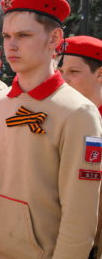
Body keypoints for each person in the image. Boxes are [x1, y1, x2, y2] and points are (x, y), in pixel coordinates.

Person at [0, 0, 102, 258]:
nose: (11, 46)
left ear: (54, 39)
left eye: (23, 35)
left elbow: (80, 217)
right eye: (7, 36)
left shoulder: (79, 113)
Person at [59, 36, 102, 259]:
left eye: (74, 72)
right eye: (62, 71)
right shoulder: (59, 116)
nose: (64, 80)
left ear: (100, 74)